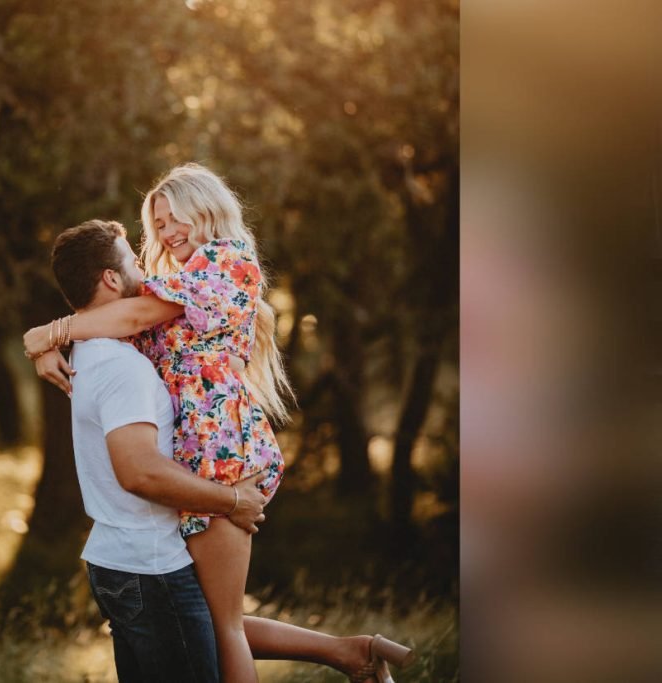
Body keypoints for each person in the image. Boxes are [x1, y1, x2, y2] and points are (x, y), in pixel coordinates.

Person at [28, 166, 414, 683]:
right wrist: (46, 344)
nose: (167, 233)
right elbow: (118, 321)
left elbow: (131, 318)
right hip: (195, 453)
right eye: (158, 224)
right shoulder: (176, 282)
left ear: (206, 208)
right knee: (211, 620)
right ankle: (352, 652)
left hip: (219, 450)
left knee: (223, 626)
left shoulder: (226, 262)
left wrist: (48, 334)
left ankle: (352, 652)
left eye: (175, 218)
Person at [49, 218, 268, 683]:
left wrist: (45, 339)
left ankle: (351, 653)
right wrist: (233, 501)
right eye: (133, 260)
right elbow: (139, 472)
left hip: (122, 560)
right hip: (150, 568)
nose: (144, 269)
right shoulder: (121, 366)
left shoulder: (92, 350)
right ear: (111, 278)